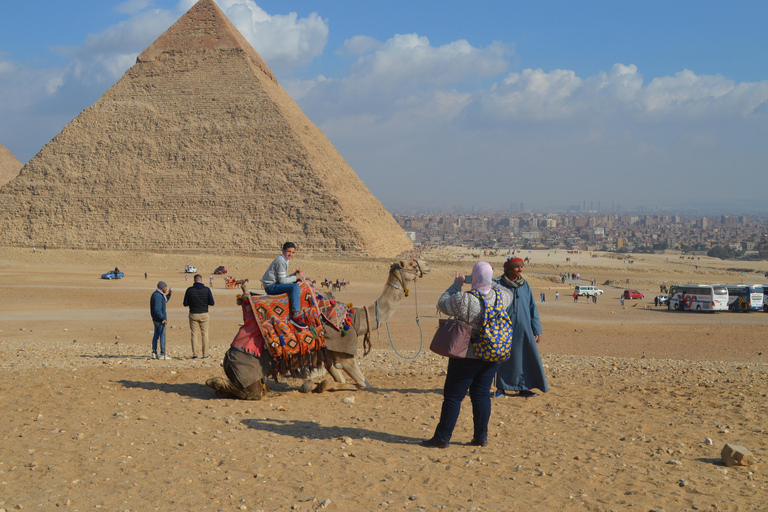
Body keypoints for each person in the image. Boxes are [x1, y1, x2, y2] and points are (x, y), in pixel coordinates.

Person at [421, 262, 513, 449]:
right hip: (493, 354)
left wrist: (457, 283)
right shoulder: (502, 297)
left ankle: (442, 438)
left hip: (467, 355)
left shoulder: (464, 299)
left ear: (474, 278)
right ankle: (481, 437)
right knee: (481, 395)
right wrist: (492, 283)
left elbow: (443, 302)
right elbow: (507, 291)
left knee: (453, 397)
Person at [493, 257, 548, 398]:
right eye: (517, 267)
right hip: (504, 328)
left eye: (521, 267)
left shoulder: (525, 285)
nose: (520, 270)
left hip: (524, 328)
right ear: (510, 269)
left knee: (525, 357)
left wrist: (537, 329)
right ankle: (501, 388)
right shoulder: (498, 284)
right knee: (503, 357)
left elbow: (532, 307)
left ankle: (524, 387)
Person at [261, 242, 307, 329]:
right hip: (271, 287)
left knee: (296, 284)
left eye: (293, 252)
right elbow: (282, 281)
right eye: (289, 251)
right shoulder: (281, 261)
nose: (291, 254)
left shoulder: (284, 260)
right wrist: (296, 277)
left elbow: (282, 278)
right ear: (283, 251)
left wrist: (294, 275)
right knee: (295, 286)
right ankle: (296, 315)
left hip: (275, 283)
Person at [183, 274, 215, 359]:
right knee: (205, 334)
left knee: (194, 334)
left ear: (194, 281)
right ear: (201, 280)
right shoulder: (206, 289)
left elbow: (185, 303)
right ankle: (205, 354)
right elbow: (212, 302)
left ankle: (195, 354)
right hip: (204, 313)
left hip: (193, 314)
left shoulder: (189, 290)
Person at [150, 281, 172, 360]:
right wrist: (163, 318)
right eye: (166, 287)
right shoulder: (158, 296)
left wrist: (169, 295)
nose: (166, 288)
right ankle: (162, 354)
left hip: (156, 319)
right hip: (160, 320)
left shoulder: (157, 294)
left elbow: (164, 301)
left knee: (156, 335)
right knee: (162, 335)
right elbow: (157, 309)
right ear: (162, 288)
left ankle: (154, 352)